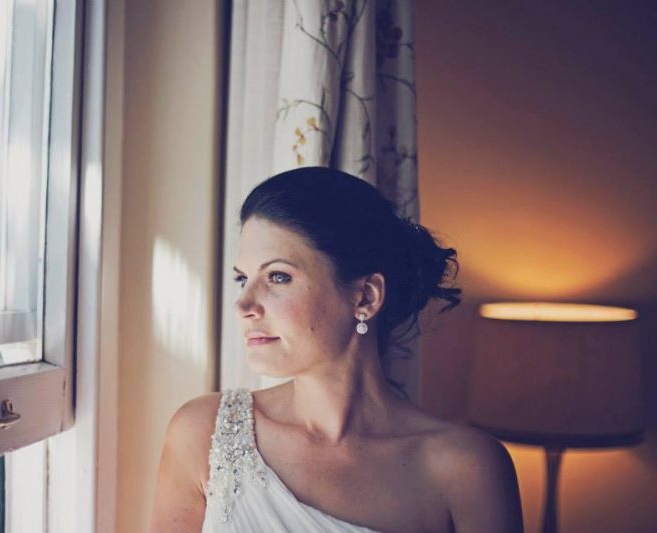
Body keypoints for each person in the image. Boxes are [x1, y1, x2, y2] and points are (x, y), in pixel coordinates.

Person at [149, 167, 523, 532]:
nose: (244, 305)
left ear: (365, 295)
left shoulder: (468, 469)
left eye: (278, 277)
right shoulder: (204, 432)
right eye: (242, 279)